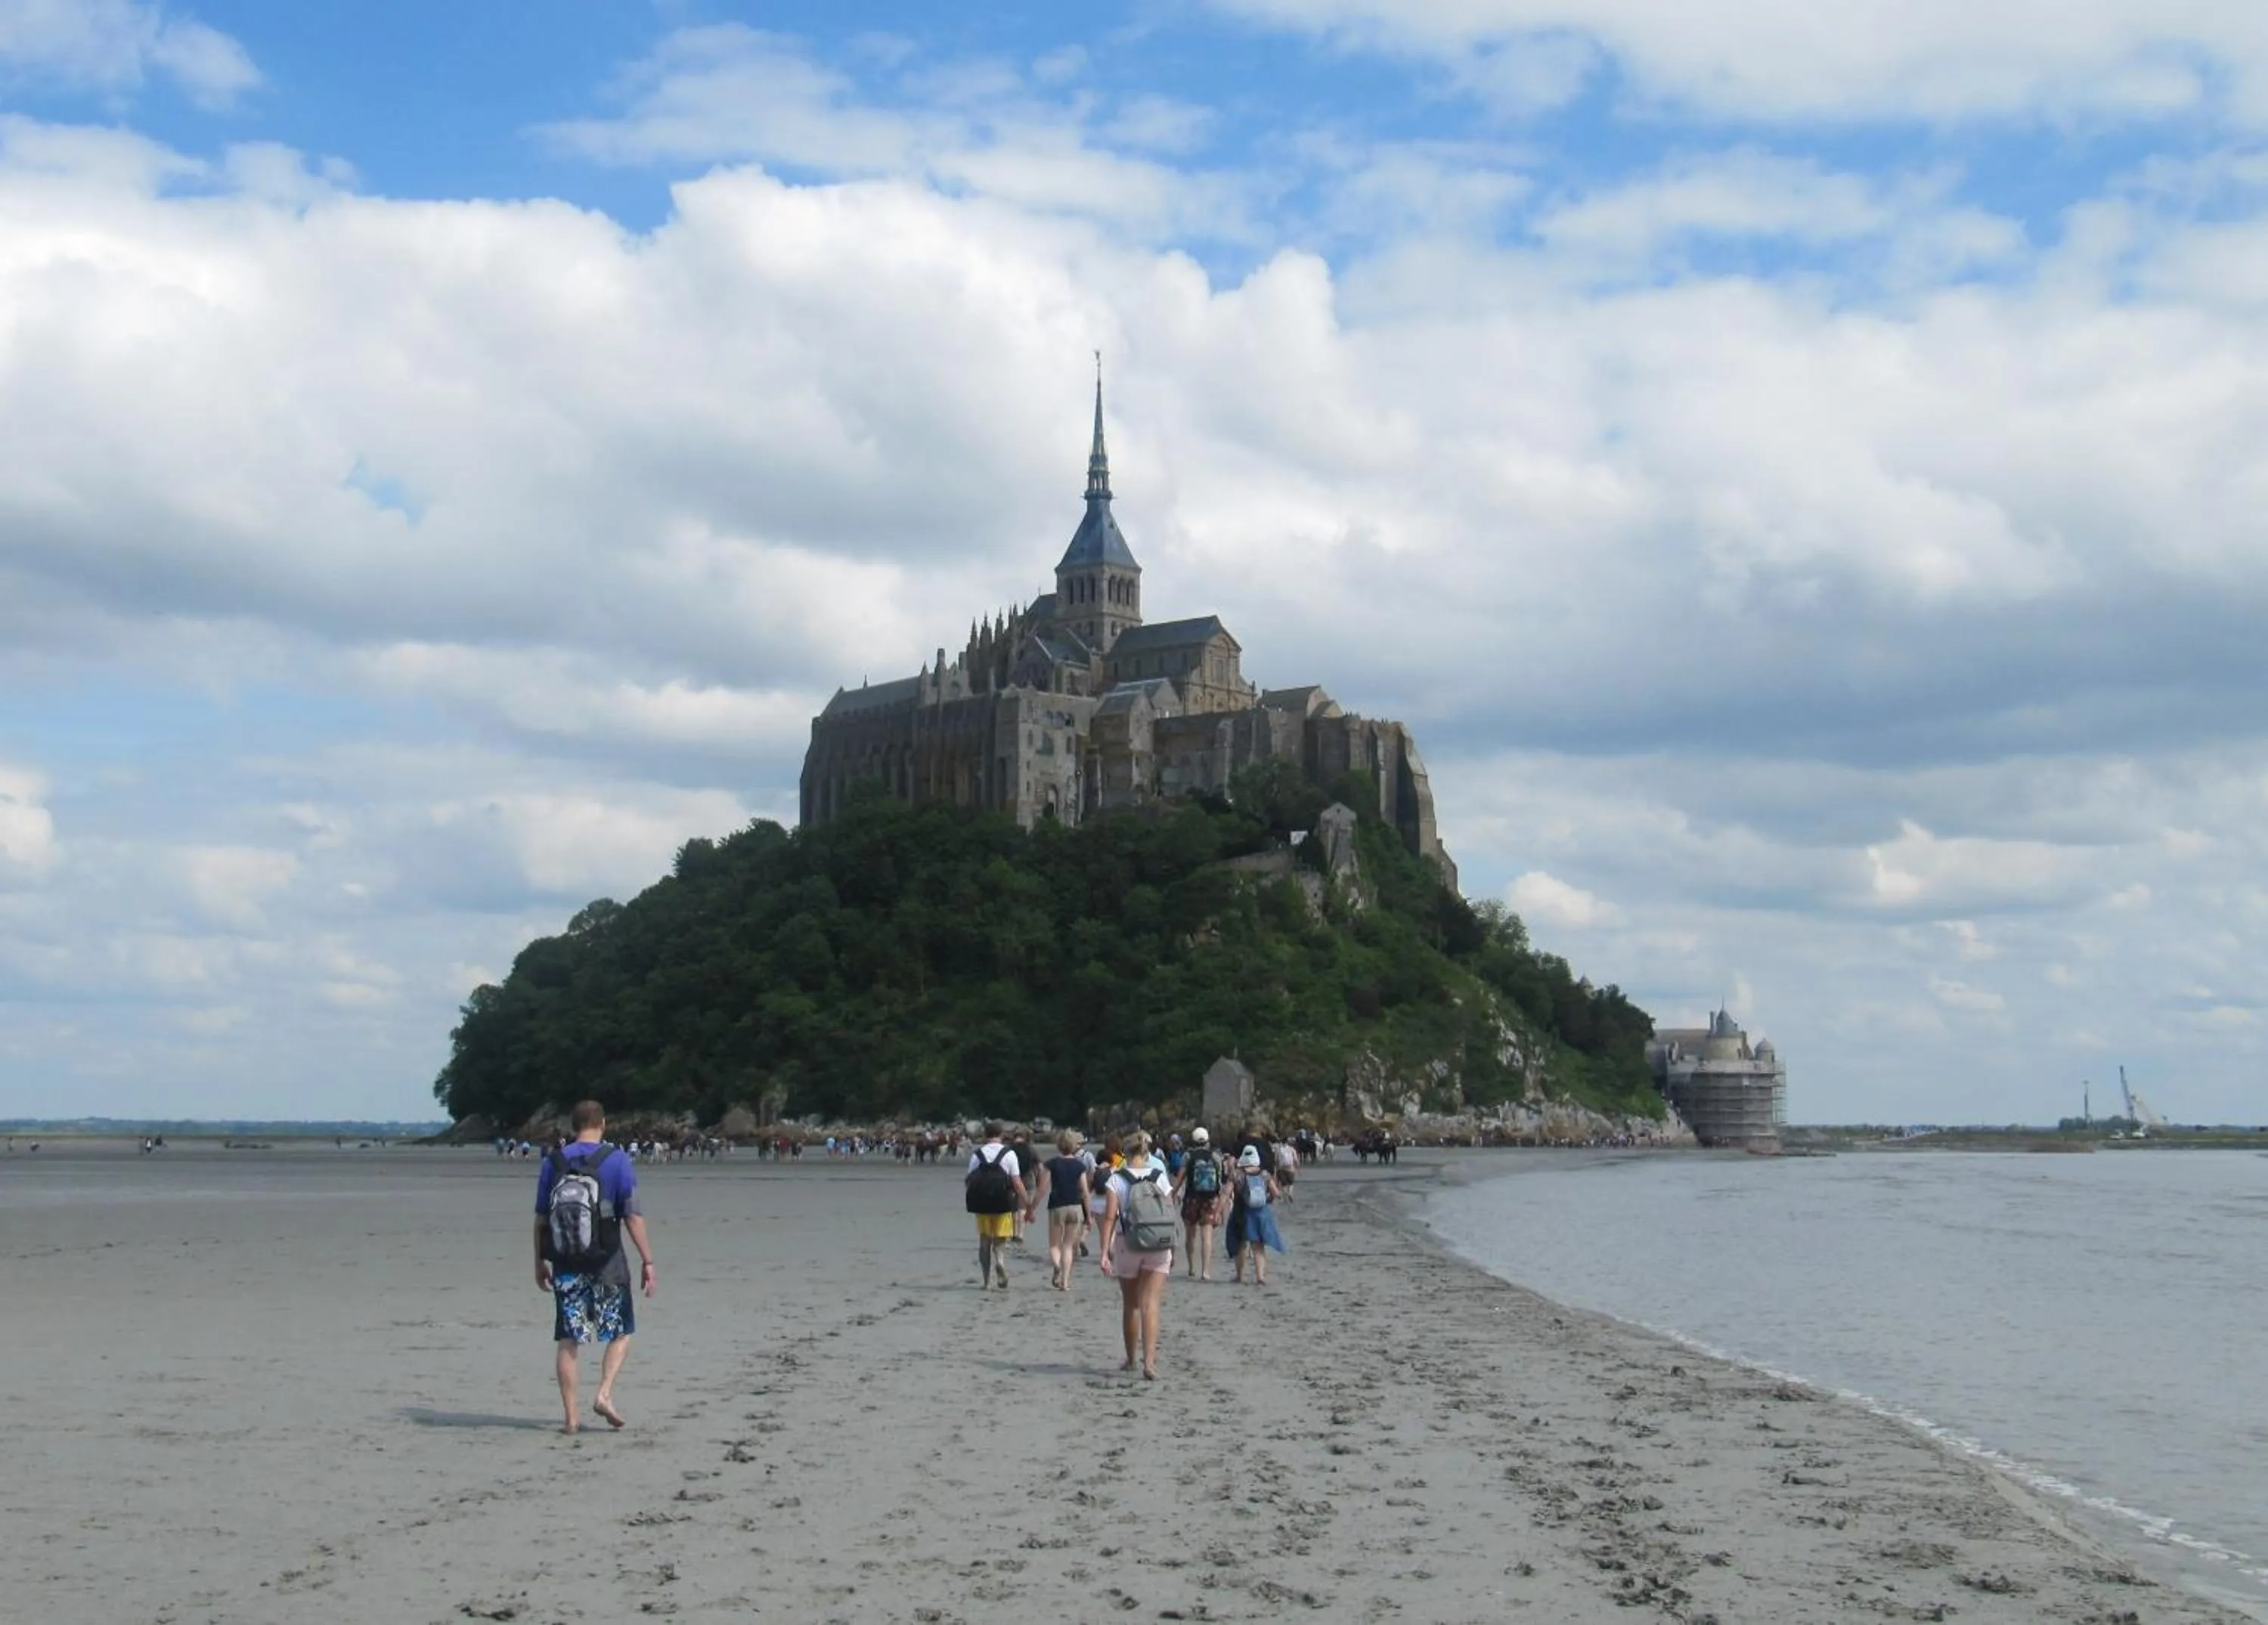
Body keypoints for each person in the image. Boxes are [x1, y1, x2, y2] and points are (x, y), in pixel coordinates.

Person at [534, 1100, 655, 1434]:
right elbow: (631, 1215)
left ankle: (571, 1419)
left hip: (565, 1263)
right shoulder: (617, 1161)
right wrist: (648, 1260)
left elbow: (542, 1219)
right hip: (607, 1260)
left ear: (574, 1125)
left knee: (569, 1340)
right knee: (619, 1331)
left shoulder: (554, 1162)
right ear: (603, 1124)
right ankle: (603, 1394)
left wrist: (538, 1262)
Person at [1097, 1131, 1175, 1379]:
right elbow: (1169, 1211)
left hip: (1127, 1243)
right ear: (1146, 1153)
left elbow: (1110, 1217)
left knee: (1131, 1305)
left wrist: (1104, 1252)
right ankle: (1149, 1364)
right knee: (1151, 1304)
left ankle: (1131, 1359)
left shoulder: (1115, 1179)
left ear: (1125, 1153)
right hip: (1159, 1244)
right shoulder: (1160, 1177)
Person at [965, 1122, 1027, 1289]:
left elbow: (970, 1179)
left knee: (984, 1240)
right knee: (1000, 1240)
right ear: (1001, 1135)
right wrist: (1027, 1202)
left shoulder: (977, 1154)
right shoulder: (1009, 1154)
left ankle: (986, 1281)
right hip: (1003, 1202)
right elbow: (1017, 1181)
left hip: (982, 1203)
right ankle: (1000, 1261)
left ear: (985, 1135)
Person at [1034, 1130, 1092, 1292]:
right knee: (1068, 1246)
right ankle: (1065, 1282)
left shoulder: (1051, 1164)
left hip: (1057, 1206)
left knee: (1054, 1245)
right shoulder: (1080, 1166)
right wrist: (1089, 1216)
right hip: (1075, 1207)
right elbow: (1085, 1193)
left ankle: (1057, 1266)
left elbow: (1042, 1189)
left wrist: (1032, 1208)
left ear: (1059, 1145)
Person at [1226, 1145, 1286, 1287]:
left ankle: (1240, 1276)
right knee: (1258, 1245)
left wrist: (1218, 1209)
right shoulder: (1264, 1174)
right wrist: (1269, 1199)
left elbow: (1226, 1193)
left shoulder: (1236, 1174)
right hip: (1260, 1212)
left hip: (1241, 1211)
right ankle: (1260, 1276)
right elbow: (1276, 1193)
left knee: (1241, 1244)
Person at [1173, 1126, 1227, 1281]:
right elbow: (1221, 1179)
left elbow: (1181, 1177)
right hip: (1210, 1198)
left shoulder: (1188, 1156)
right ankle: (1206, 1271)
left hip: (1192, 1198)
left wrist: (1173, 1193)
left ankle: (1191, 1267)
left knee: (1190, 1235)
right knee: (1207, 1235)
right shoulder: (1216, 1156)